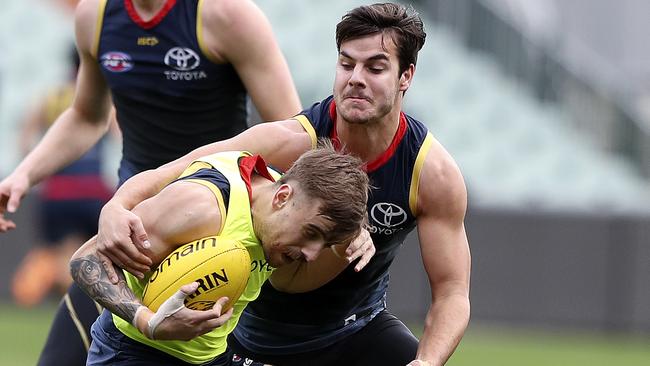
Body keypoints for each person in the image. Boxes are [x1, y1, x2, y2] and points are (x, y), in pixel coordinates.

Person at [96, 3, 471, 366]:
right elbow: (178, 169)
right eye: (346, 64)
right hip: (251, 333)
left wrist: (428, 361)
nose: (356, 78)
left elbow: (452, 292)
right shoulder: (288, 143)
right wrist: (116, 206)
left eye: (375, 68)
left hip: (356, 329)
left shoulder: (431, 174)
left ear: (406, 76)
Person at [0, 0, 301, 364]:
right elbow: (86, 116)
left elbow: (291, 133)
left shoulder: (228, 15)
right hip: (131, 235)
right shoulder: (94, 16)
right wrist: (23, 175)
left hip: (216, 240)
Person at [71, 144, 370, 365]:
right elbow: (87, 260)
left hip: (210, 358)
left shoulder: (283, 199)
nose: (312, 254)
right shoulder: (203, 209)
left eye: (324, 243)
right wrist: (147, 321)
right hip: (134, 353)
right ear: (282, 197)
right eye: (312, 233)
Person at [11, 46, 115, 307]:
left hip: (57, 191)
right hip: (93, 190)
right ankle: (77, 296)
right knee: (96, 252)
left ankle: (35, 290)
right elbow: (119, 135)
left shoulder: (52, 96)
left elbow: (25, 142)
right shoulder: (103, 97)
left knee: (55, 250)